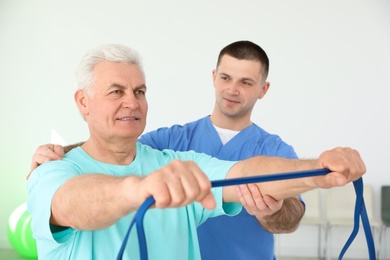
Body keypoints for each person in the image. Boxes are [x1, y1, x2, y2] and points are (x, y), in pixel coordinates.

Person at [27, 43, 366, 260]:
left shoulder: (182, 161)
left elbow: (249, 172)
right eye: (116, 91)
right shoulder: (56, 172)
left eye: (140, 91)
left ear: (263, 90)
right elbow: (74, 199)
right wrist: (137, 186)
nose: (131, 102)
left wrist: (320, 170)